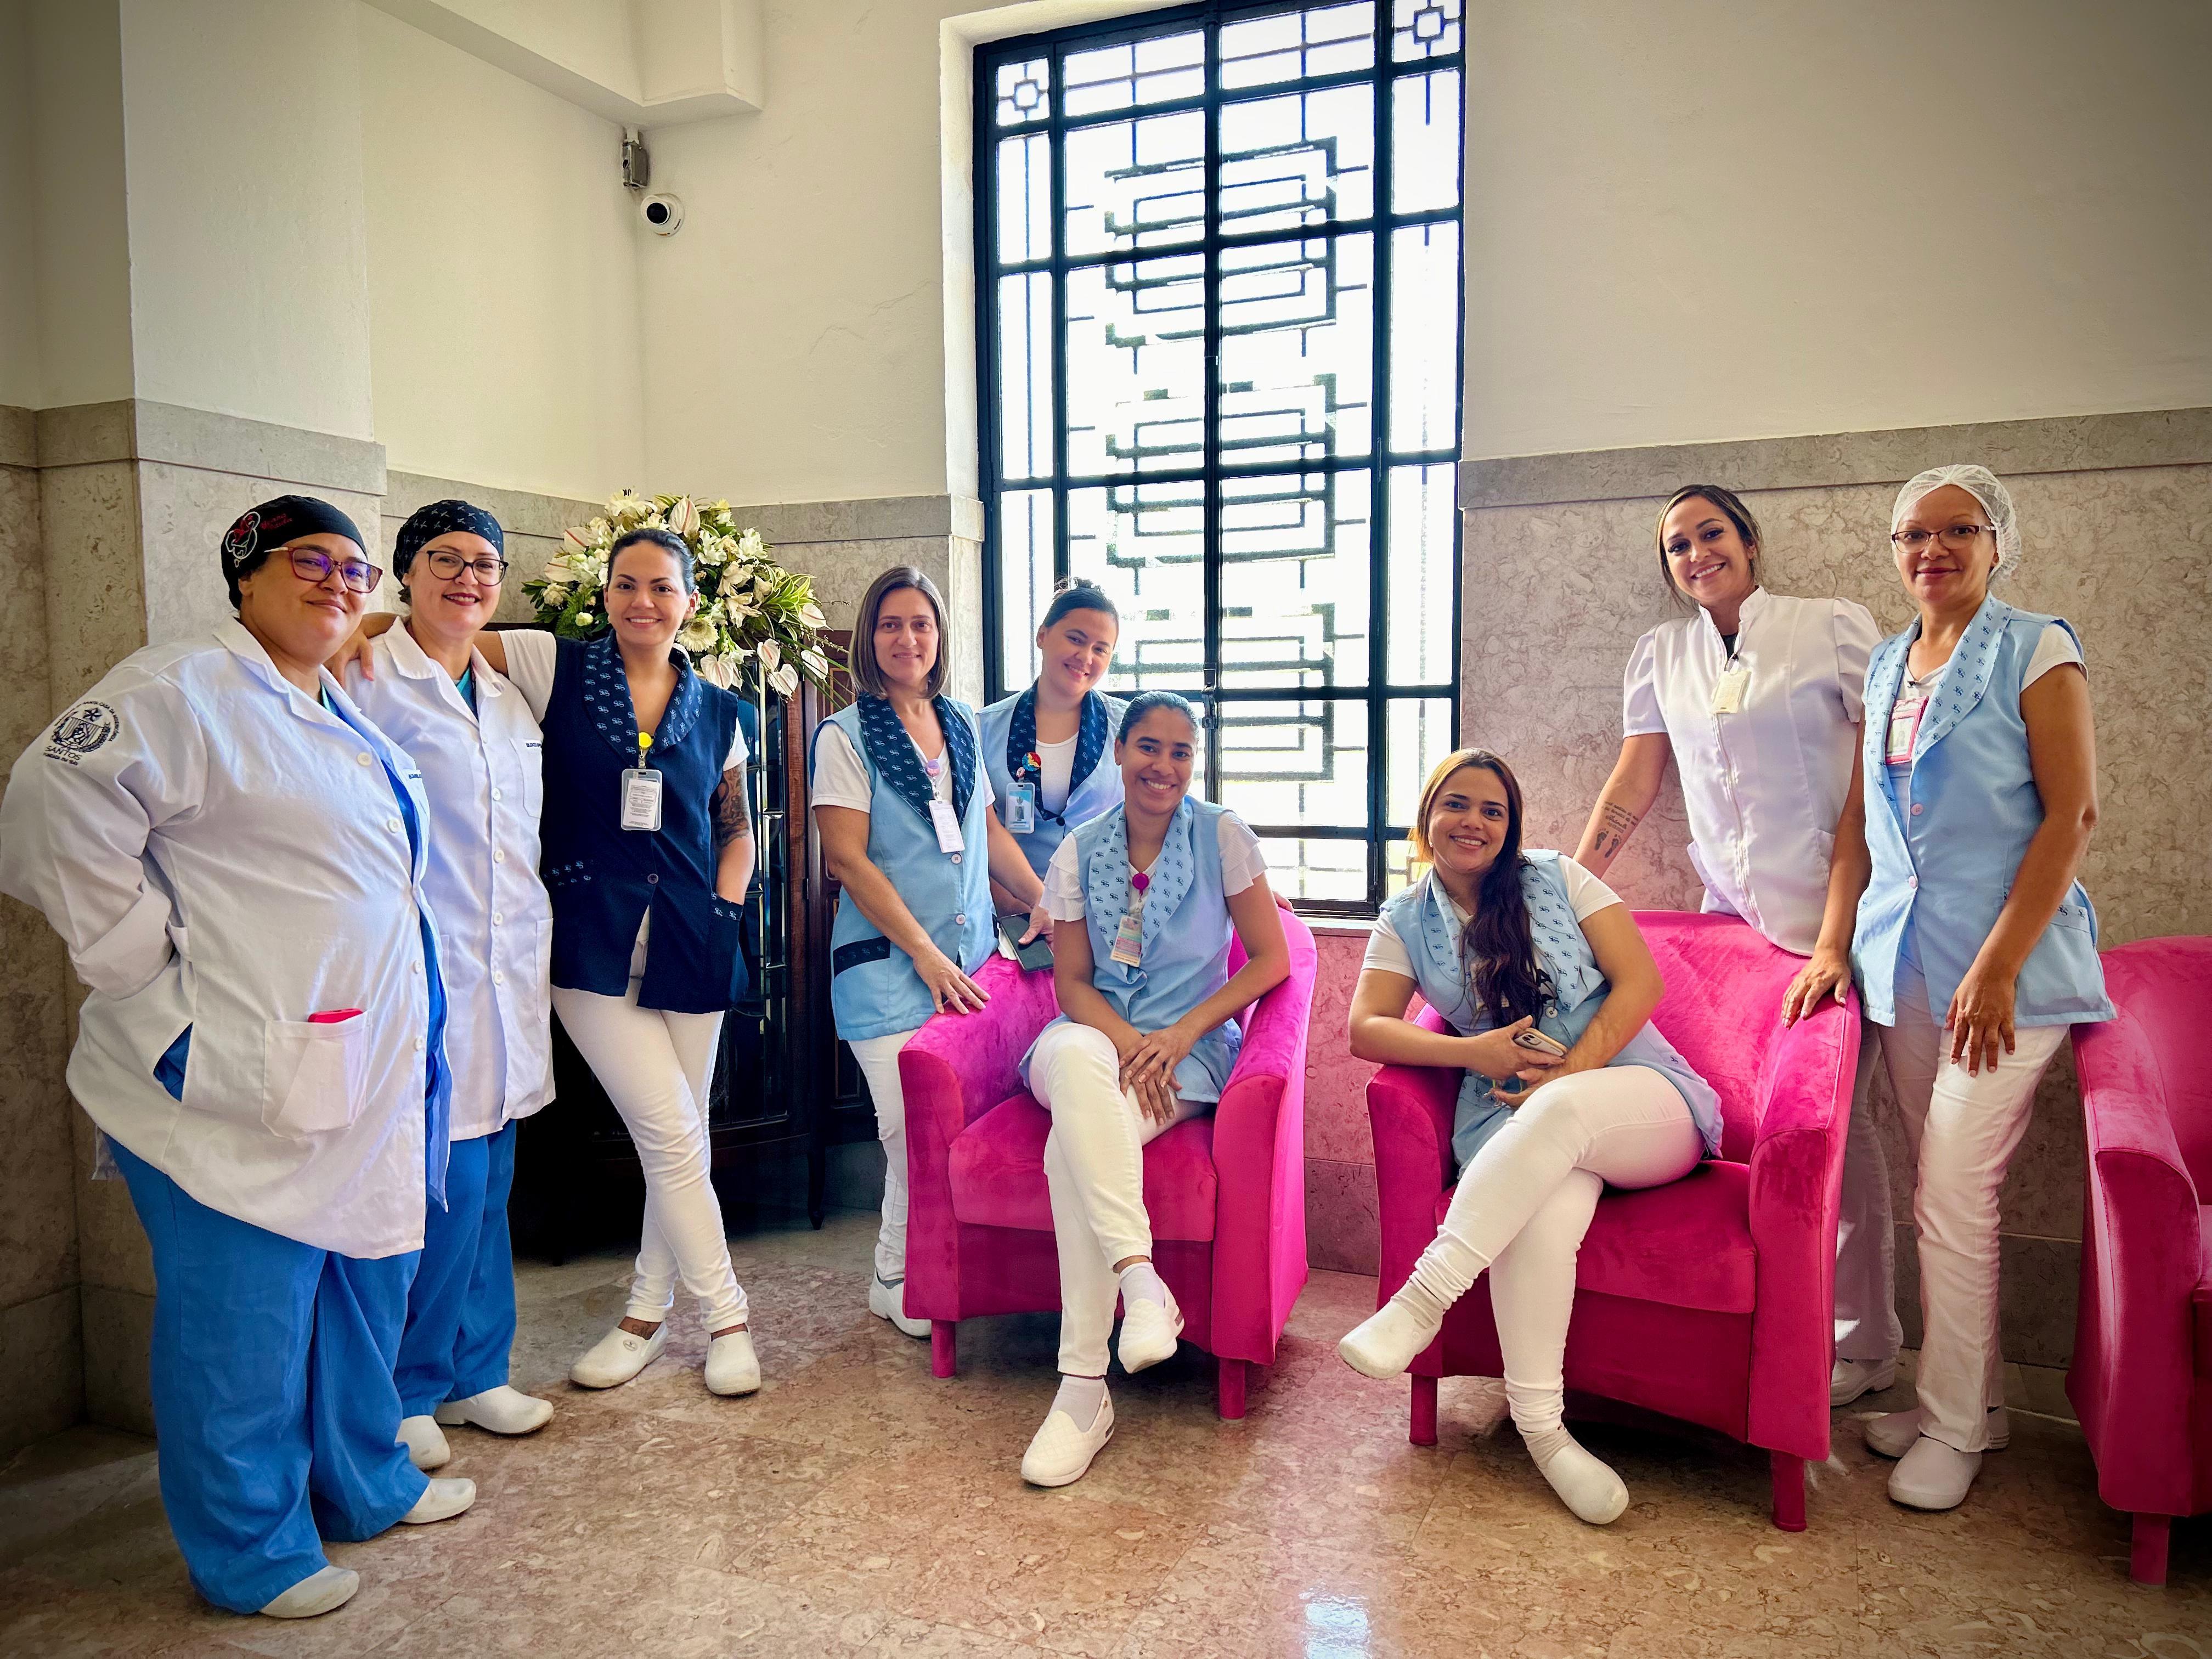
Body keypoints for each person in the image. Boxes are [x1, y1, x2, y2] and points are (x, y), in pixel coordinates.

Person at [0, 497, 472, 1621]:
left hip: (354, 1063)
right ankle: (252, 1550)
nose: (338, 584)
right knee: (243, 1323)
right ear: (245, 573)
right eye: (311, 561)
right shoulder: (179, 690)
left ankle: (363, 1482)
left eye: (355, 570)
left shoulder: (330, 699)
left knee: (361, 1285)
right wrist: (145, 982)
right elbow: (44, 805)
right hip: (228, 1073)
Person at [346, 524, 760, 1396]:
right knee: (672, 1134)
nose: (643, 601)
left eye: (662, 587)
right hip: (587, 944)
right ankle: (729, 1321)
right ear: (604, 595)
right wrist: (354, 630)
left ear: (691, 603)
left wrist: (726, 911)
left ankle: (645, 1316)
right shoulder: (549, 662)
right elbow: (440, 627)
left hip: (693, 940)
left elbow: (736, 830)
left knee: (679, 1140)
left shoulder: (723, 711)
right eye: (627, 584)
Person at [1572, 485, 1898, 1407]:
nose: (1695, 554)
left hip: (1834, 923)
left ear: (1748, 541)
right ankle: (1779, 1324)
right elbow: (1634, 780)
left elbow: (1865, 793)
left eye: (1710, 533)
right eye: (1677, 545)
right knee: (1759, 1132)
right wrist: (1570, 885)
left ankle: (1864, 1340)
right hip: (1734, 930)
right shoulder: (1662, 653)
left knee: (1839, 1132)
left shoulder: (1829, 627)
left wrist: (1833, 937)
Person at [1339, 749, 1723, 1526]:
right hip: (1512, 1112)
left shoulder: (1560, 877)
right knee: (1541, 1219)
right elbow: (1365, 1028)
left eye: (1493, 810)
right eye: (1456, 804)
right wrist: (1472, 1052)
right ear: (1428, 816)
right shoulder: (1405, 919)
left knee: (1563, 1110)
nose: (1473, 822)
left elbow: (1641, 982)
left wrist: (1570, 1072)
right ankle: (1545, 1433)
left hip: (1643, 1099)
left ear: (1511, 827)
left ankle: (1422, 1299)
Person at [1836, 465, 2108, 1512]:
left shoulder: (2038, 647)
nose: (1932, 549)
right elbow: (1859, 819)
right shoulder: (1884, 662)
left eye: (1957, 529)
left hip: (2011, 972)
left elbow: (2070, 815)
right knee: (1938, 1187)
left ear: (1998, 542)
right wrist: (1832, 944)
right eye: (1912, 533)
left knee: (1952, 1192)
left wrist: (1996, 968)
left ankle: (1951, 1427)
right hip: (1906, 963)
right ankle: (1971, 1402)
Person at [1017, 691, 1290, 1487]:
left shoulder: (1223, 836)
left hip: (1185, 1055)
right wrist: (1131, 1043)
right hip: (1094, 1038)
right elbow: (1072, 983)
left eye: (1180, 752)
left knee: (1070, 1152)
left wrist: (1179, 1036)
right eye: (1148, 747)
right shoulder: (1080, 849)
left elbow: (1272, 959)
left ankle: (1082, 1392)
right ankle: (1142, 1283)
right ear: (1119, 752)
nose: (1163, 766)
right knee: (1076, 1058)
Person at [343, 500, 556, 1469]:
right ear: (404, 571)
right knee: (442, 1187)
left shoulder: (510, 695)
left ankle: (478, 1372)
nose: (468, 579)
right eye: (445, 560)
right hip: (424, 969)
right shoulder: (364, 675)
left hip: (508, 970)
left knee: (492, 1181)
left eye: (484, 564)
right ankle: (411, 1387)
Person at [811, 566, 1048, 1338]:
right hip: (890, 973)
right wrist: (921, 952)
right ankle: (895, 1273)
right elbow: (848, 859)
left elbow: (988, 832)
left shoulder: (960, 726)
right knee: (906, 1134)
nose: (907, 639)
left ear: (940, 636)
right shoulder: (844, 737)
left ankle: (897, 1271)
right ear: (869, 638)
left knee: (938, 1133)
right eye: (890, 624)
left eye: (921, 624)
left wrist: (1043, 899)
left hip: (969, 967)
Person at [977, 579, 1127, 907]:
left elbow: (1161, 815)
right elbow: (977, 832)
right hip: (1015, 909)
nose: (1085, 657)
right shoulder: (984, 728)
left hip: (1104, 907)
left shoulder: (1128, 727)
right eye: (1076, 639)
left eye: (1100, 649)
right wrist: (1019, 910)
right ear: (1042, 635)